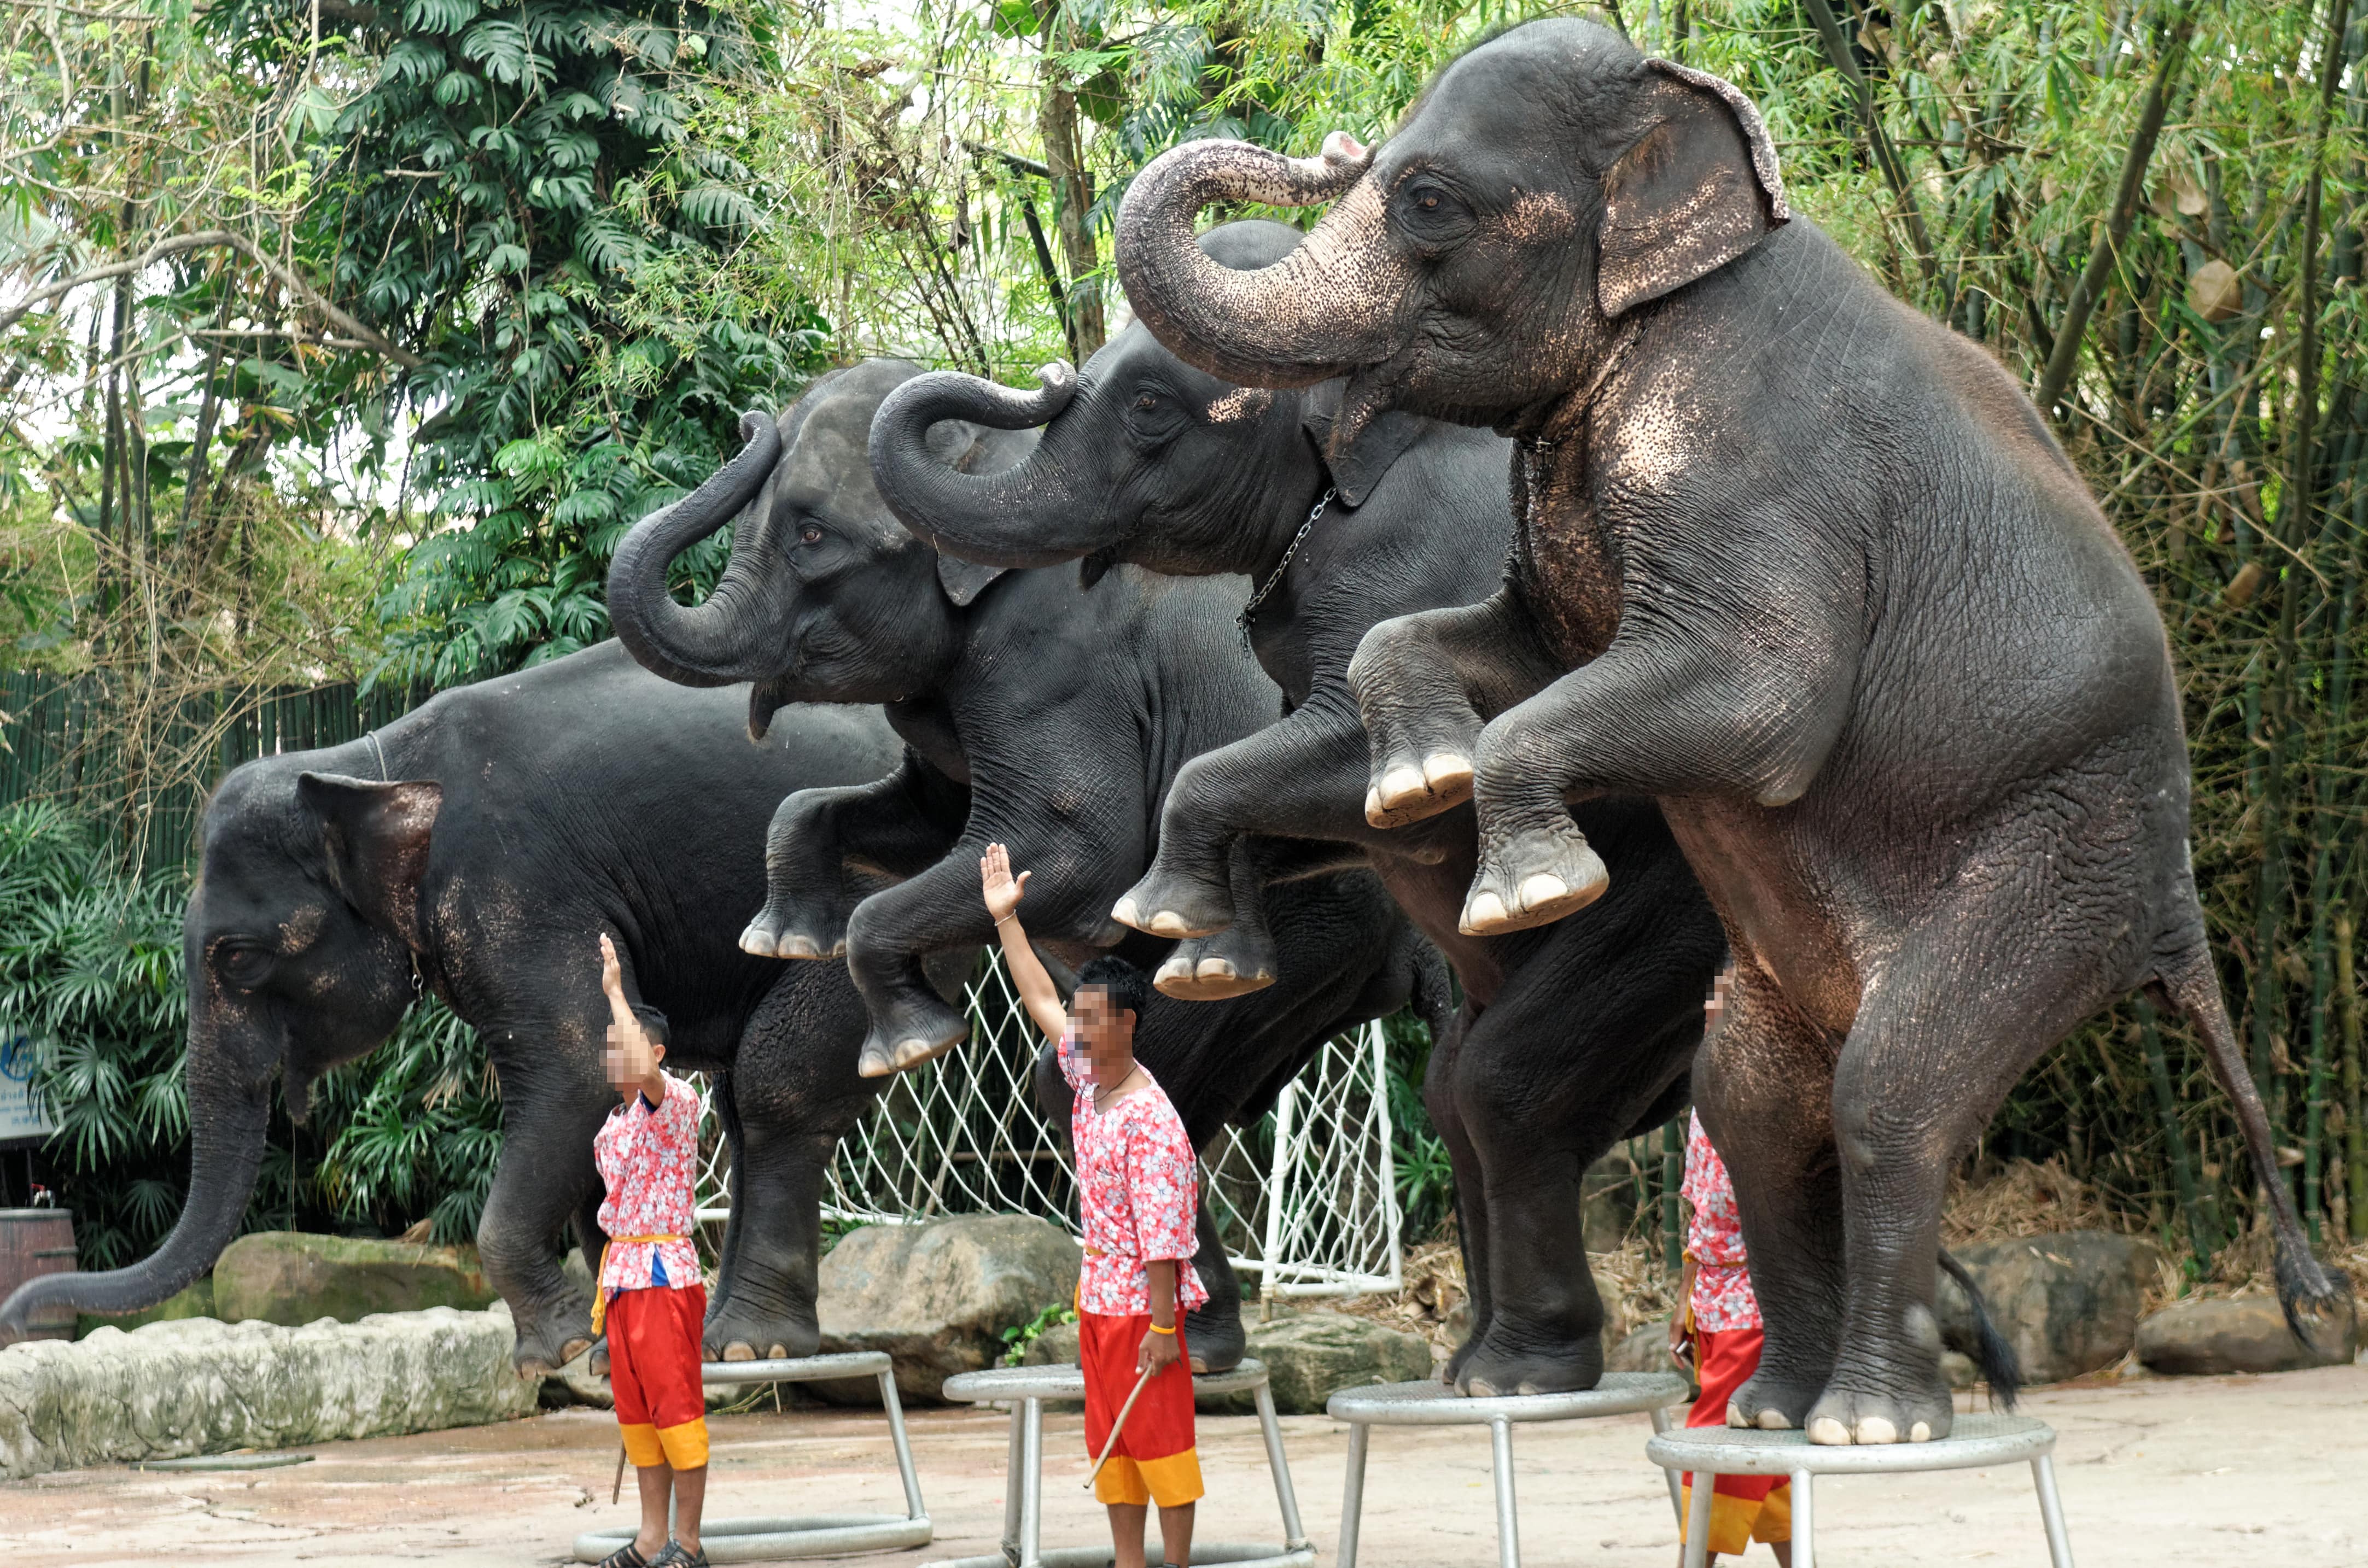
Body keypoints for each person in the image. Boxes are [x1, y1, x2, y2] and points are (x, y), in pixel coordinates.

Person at [981, 841, 1205, 1568]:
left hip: (1146, 1306)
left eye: (1090, 1019)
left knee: (1160, 1439)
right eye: (1077, 1017)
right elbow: (1038, 998)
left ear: (1126, 1025)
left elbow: (1166, 1238)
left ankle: (1172, 1563)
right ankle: (1126, 1561)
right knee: (1111, 1437)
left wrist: (1166, 1328)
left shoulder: (1153, 1122)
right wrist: (1007, 922)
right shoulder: (1087, 1077)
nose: (1073, 1029)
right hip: (1099, 1298)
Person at [592, 933, 709, 1568]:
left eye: (625, 1044)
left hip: (664, 1275)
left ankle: (687, 1544)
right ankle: (649, 1539)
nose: (613, 1054)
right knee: (638, 1417)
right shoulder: (611, 1125)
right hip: (623, 1277)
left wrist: (615, 992)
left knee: (677, 1412)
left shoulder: (676, 1103)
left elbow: (642, 1071)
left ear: (654, 1053)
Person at [1670, 971, 1792, 1567]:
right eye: (1712, 995)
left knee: (1716, 1435)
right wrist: (1683, 1301)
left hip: (1756, 1295)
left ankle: (1693, 1561)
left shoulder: (1768, 1097)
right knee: (1754, 1446)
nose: (1711, 1005)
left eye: (1728, 1000)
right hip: (1713, 1297)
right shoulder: (1704, 1094)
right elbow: (1700, 1211)